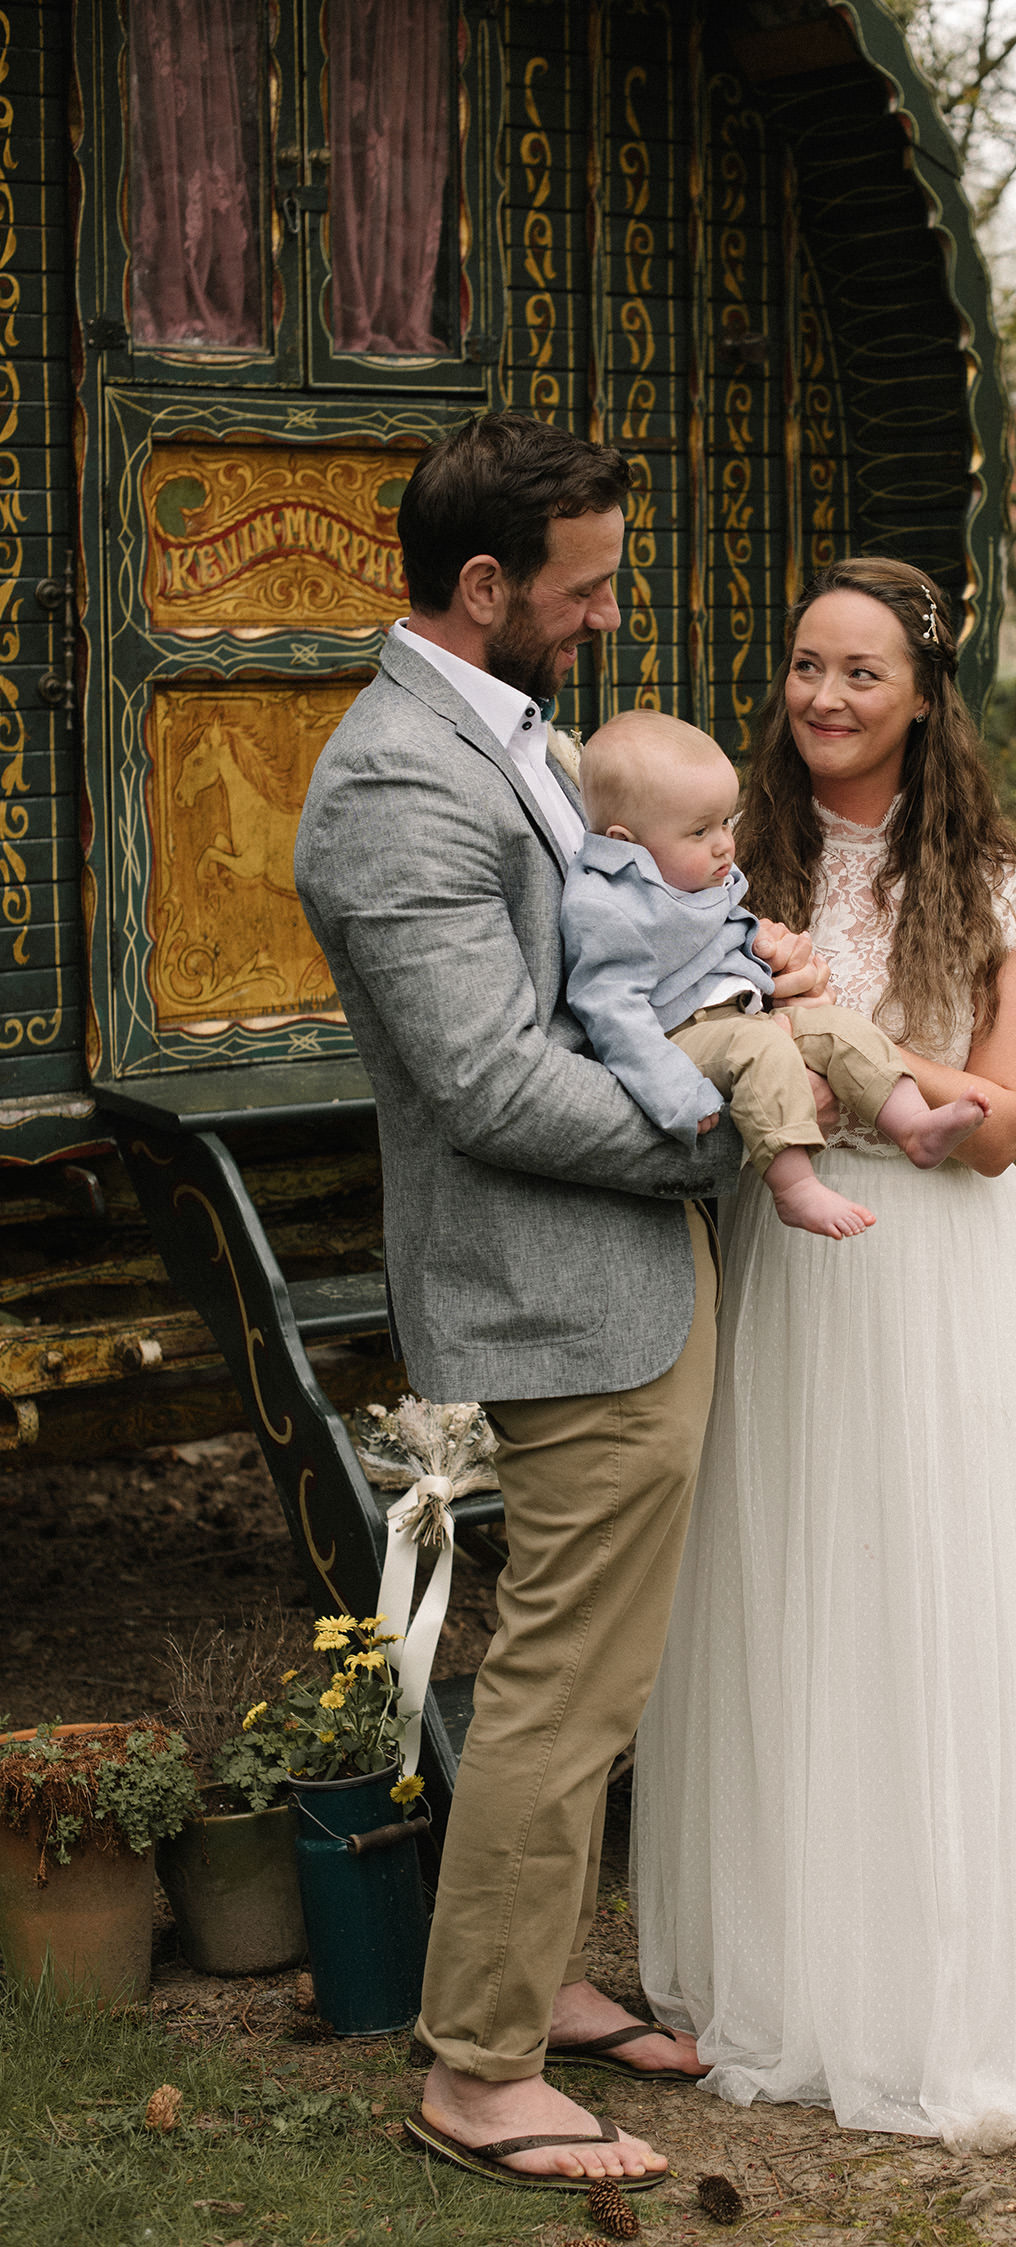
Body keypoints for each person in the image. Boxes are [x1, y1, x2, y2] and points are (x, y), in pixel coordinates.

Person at [294, 411, 828, 2194]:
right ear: (483, 584)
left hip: (614, 1280)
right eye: (583, 589)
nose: (604, 619)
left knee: (593, 1674)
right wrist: (717, 1141)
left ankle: (523, 1982)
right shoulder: (393, 783)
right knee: (561, 1686)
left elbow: (609, 964)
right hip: (556, 1291)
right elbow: (494, 1085)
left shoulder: (507, 735)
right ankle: (476, 2072)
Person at [631, 557, 1016, 2150]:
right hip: (792, 1263)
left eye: (861, 672)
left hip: (943, 1272)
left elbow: (997, 1130)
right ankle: (796, 1959)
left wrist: (836, 1038)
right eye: (804, 666)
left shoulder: (1005, 887)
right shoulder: (726, 858)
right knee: (796, 1592)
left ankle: (953, 1980)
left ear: (924, 694)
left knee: (941, 1597)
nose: (826, 697)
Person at [561, 710, 991, 1238]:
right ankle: (794, 1187)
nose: (723, 843)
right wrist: (672, 1090)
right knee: (760, 1051)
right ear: (626, 841)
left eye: (724, 821)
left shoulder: (684, 872)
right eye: (700, 830)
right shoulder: (604, 906)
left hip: (738, 1018)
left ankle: (913, 1125)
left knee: (839, 1027)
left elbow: (718, 943)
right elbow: (610, 1009)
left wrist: (762, 952)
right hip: (676, 1039)